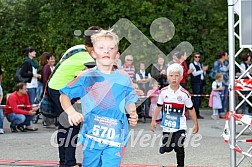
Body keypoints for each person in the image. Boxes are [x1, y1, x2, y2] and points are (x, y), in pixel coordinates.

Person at [60, 29, 138, 167]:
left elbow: (129, 98)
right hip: (91, 137)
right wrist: (71, 112)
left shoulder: (123, 77)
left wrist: (133, 112)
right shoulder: (86, 76)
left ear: (117, 55)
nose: (106, 51)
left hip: (116, 137)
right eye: (101, 48)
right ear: (94, 53)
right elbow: (64, 95)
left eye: (111, 48)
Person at [47, 26, 101, 167]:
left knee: (64, 126)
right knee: (73, 124)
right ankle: (68, 163)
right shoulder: (87, 56)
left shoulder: (77, 48)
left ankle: (64, 161)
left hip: (54, 86)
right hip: (61, 89)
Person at [150, 63, 199, 167]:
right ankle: (164, 147)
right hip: (167, 126)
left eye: (177, 76)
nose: (174, 78)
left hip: (180, 126)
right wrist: (153, 120)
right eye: (171, 76)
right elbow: (158, 106)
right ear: (168, 77)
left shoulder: (184, 94)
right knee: (167, 148)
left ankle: (180, 165)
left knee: (179, 146)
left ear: (181, 77)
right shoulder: (163, 92)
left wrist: (196, 124)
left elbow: (191, 109)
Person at [189, 53, 208, 119]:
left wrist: (204, 71)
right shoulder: (192, 64)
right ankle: (195, 113)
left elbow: (203, 73)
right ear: (193, 57)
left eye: (198, 57)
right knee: (196, 98)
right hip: (195, 82)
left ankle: (197, 113)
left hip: (201, 82)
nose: (197, 58)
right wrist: (202, 70)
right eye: (196, 57)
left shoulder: (200, 64)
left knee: (199, 98)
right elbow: (194, 74)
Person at [211, 51, 229, 118]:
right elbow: (217, 72)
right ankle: (218, 112)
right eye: (226, 55)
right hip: (220, 82)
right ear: (223, 56)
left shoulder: (226, 62)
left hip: (226, 82)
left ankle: (222, 112)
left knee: (225, 97)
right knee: (220, 98)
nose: (227, 56)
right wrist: (226, 68)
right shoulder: (217, 63)